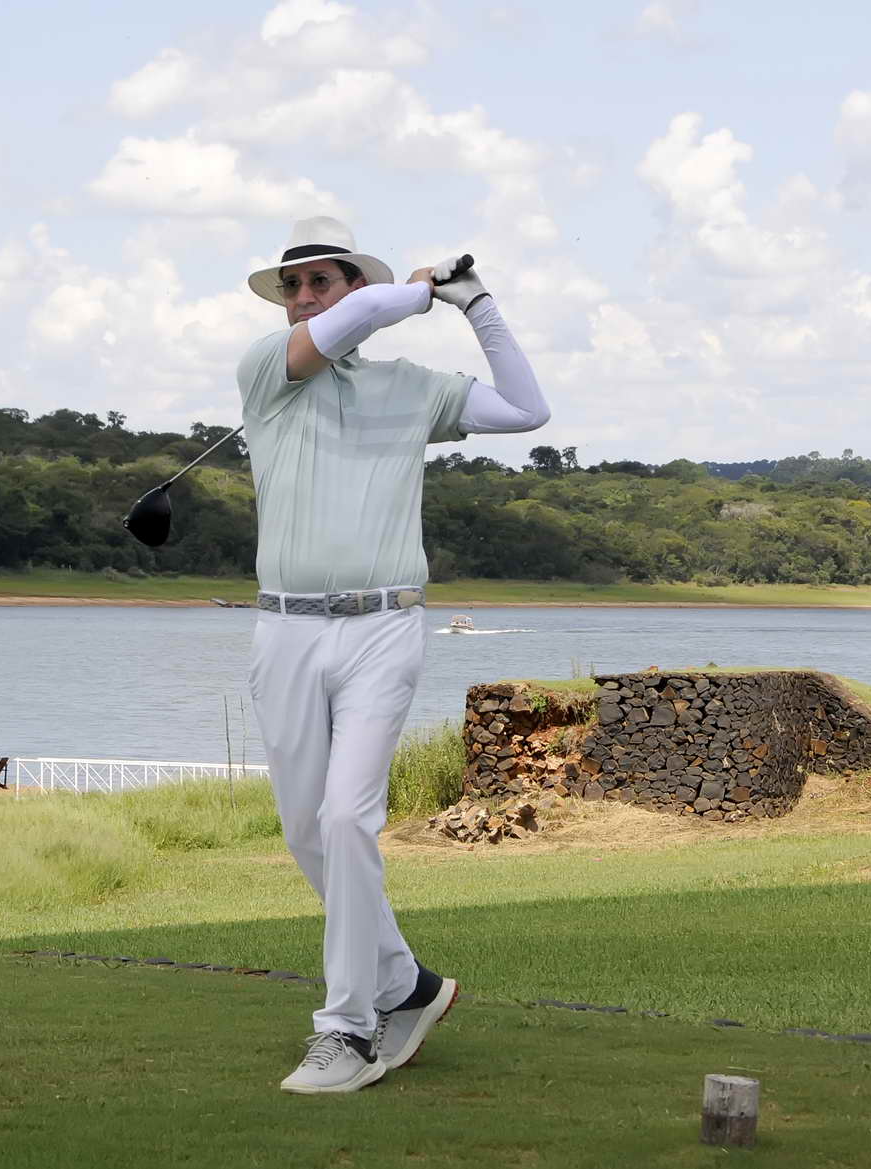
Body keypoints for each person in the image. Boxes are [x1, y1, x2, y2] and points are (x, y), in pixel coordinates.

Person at [238, 216, 550, 1094]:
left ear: (351, 284)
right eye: (292, 285)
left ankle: (348, 1028)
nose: (304, 297)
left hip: (383, 625)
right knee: (307, 832)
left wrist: (475, 304)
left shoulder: (410, 386)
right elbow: (346, 327)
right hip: (284, 628)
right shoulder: (267, 370)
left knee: (347, 819)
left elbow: (527, 409)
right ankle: (406, 982)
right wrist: (408, 295)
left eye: (321, 280)